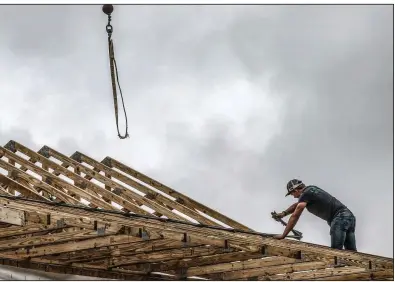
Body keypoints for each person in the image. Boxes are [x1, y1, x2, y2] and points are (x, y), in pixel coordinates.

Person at [272, 179, 357, 251]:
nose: (293, 196)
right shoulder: (310, 190)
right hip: (349, 217)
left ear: (296, 190)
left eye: (292, 194)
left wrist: (284, 235)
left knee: (336, 253)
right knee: (351, 253)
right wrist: (284, 213)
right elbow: (296, 205)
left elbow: (295, 216)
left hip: (340, 218)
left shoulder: (306, 194)